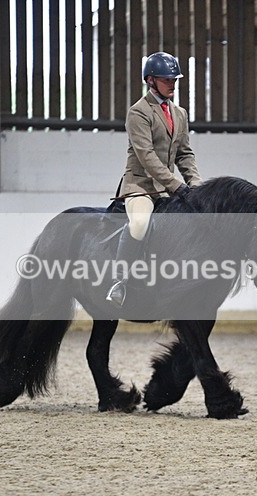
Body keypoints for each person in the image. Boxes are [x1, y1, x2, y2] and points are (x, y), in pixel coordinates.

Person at [106, 51, 203, 306]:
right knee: (139, 223)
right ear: (150, 80)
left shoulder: (179, 113)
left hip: (169, 188)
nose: (172, 83)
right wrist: (176, 186)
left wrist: (197, 187)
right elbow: (147, 157)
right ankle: (119, 281)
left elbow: (185, 154)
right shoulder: (138, 112)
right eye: (166, 79)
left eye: (174, 79)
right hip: (141, 187)